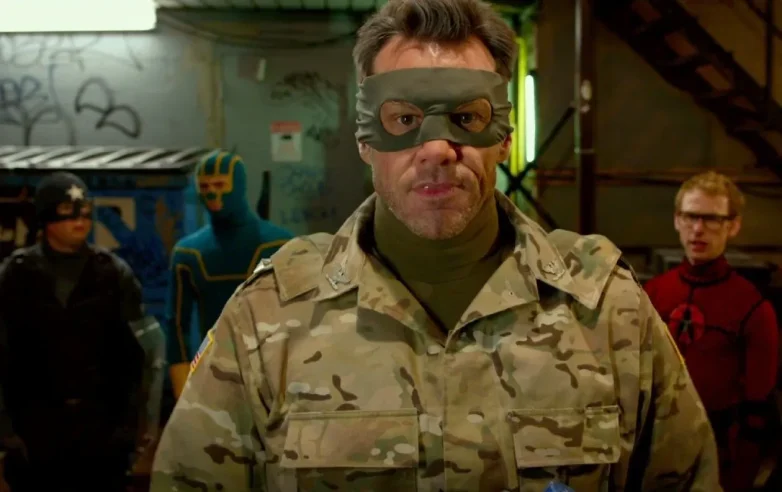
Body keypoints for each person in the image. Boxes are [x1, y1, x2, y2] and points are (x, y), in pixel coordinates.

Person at [151, 1, 720, 490]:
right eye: (404, 118)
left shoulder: (609, 313)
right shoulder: (267, 320)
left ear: (504, 137)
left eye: (467, 116)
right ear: (365, 140)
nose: (437, 148)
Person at [0, 171, 165, 492]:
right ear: (47, 217)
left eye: (86, 212)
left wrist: (140, 429)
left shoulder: (113, 273)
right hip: (33, 435)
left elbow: (146, 353)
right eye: (68, 212)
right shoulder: (15, 275)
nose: (80, 221)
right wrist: (5, 431)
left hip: (103, 436)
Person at [645, 170, 779, 491]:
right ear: (677, 220)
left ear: (733, 226)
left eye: (712, 219)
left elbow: (758, 412)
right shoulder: (651, 295)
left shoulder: (753, 308)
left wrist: (739, 480)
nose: (698, 229)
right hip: (654, 451)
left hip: (720, 459)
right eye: (691, 216)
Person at [164, 150, 294, 399]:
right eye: (205, 186)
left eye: (220, 185)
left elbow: (302, 314)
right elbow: (177, 328)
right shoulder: (189, 253)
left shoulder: (280, 244)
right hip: (215, 375)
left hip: (275, 375)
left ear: (238, 185)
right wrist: (184, 397)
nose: (213, 193)